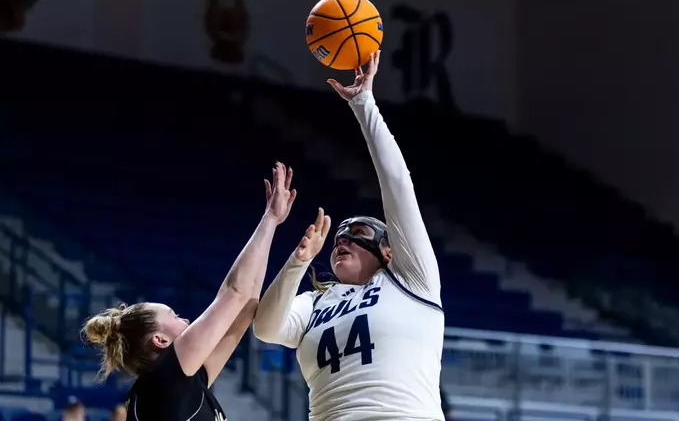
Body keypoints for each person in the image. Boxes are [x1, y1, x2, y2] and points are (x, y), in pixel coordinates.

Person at [253, 50, 444, 420]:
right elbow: (265, 327)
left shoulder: (411, 279)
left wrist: (364, 104)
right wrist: (298, 262)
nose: (342, 240)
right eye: (339, 236)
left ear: (388, 251)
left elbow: (398, 186)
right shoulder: (315, 301)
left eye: (357, 233)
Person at [82, 162, 297, 421]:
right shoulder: (162, 382)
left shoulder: (178, 384)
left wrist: (272, 224)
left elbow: (243, 311)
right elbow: (235, 291)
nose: (184, 320)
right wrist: (269, 219)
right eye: (174, 315)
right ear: (160, 340)